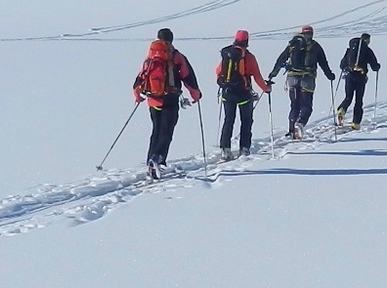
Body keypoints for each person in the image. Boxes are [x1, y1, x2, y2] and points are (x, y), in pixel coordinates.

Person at [133, 27, 200, 177]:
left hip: (153, 100)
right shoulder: (176, 56)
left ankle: (151, 161)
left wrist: (138, 95)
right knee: (166, 131)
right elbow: (187, 76)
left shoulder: (150, 56)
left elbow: (141, 77)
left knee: (156, 130)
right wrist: (195, 94)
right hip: (170, 99)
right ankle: (158, 159)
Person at [268, 24, 334, 139]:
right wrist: (330, 75)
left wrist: (273, 73)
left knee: (294, 105)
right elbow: (323, 63)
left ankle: (291, 130)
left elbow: (281, 58)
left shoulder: (293, 44)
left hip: (292, 78)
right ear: (312, 34)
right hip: (307, 78)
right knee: (306, 106)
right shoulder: (315, 46)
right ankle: (300, 123)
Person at [212, 29, 268, 159]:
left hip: (227, 93)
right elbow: (257, 76)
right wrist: (266, 88)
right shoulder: (249, 57)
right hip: (244, 94)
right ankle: (244, 148)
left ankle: (225, 148)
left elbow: (218, 71)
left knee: (229, 120)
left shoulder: (227, 55)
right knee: (246, 121)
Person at [336, 33, 381, 127]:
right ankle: (356, 123)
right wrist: (377, 66)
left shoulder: (350, 50)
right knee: (359, 101)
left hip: (349, 76)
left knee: (348, 97)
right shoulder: (367, 50)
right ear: (367, 40)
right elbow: (374, 66)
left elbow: (342, 65)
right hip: (361, 77)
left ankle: (342, 109)